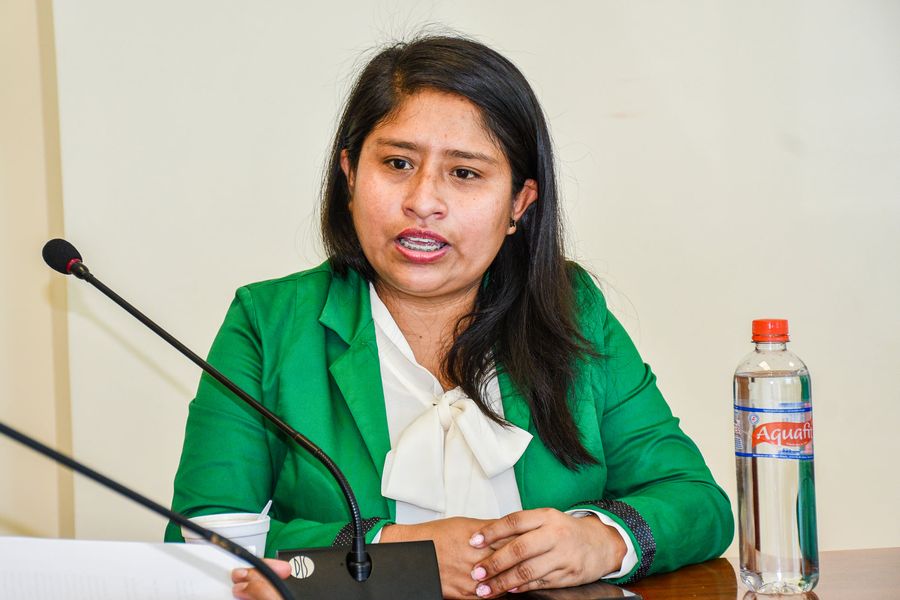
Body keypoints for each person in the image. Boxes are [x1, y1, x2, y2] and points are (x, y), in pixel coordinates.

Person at [165, 34, 733, 599]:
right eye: (397, 163)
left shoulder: (572, 308)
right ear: (350, 175)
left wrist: (600, 539)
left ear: (518, 204)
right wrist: (390, 552)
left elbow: (696, 502)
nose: (423, 201)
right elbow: (201, 541)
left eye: (464, 173)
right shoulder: (268, 323)